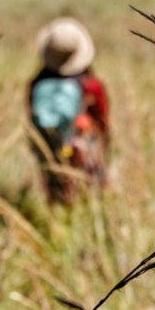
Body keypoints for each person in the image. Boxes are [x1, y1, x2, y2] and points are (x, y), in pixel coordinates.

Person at [28, 17, 109, 204]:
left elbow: (32, 117)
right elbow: (102, 119)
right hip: (82, 145)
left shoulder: (37, 84)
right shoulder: (91, 86)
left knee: (54, 187)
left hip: (51, 145)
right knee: (90, 190)